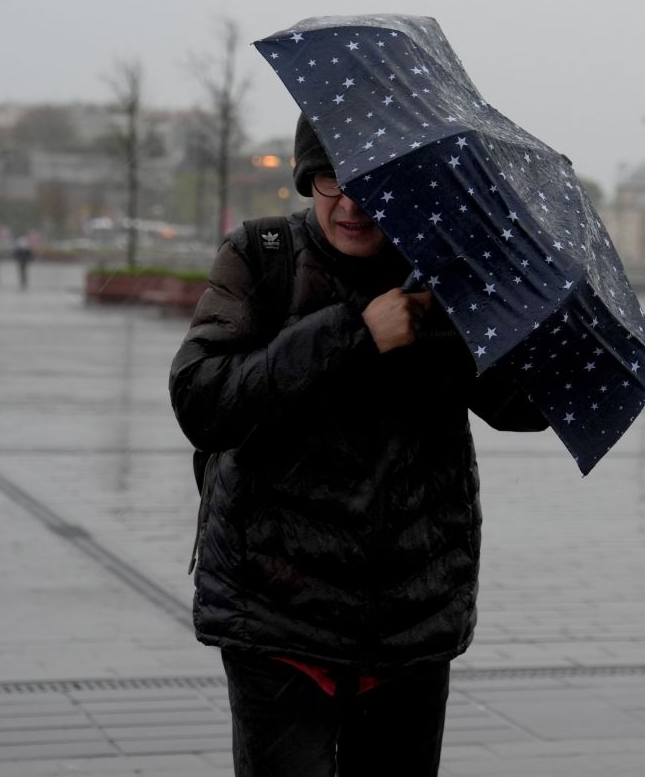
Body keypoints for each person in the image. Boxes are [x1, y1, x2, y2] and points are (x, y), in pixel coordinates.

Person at [169, 116, 546, 777]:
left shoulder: (444, 279)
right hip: (278, 618)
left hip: (409, 621)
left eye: (373, 182)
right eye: (331, 177)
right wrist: (351, 331)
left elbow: (524, 410)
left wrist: (507, 310)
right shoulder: (263, 257)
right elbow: (204, 400)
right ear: (304, 177)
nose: (350, 201)